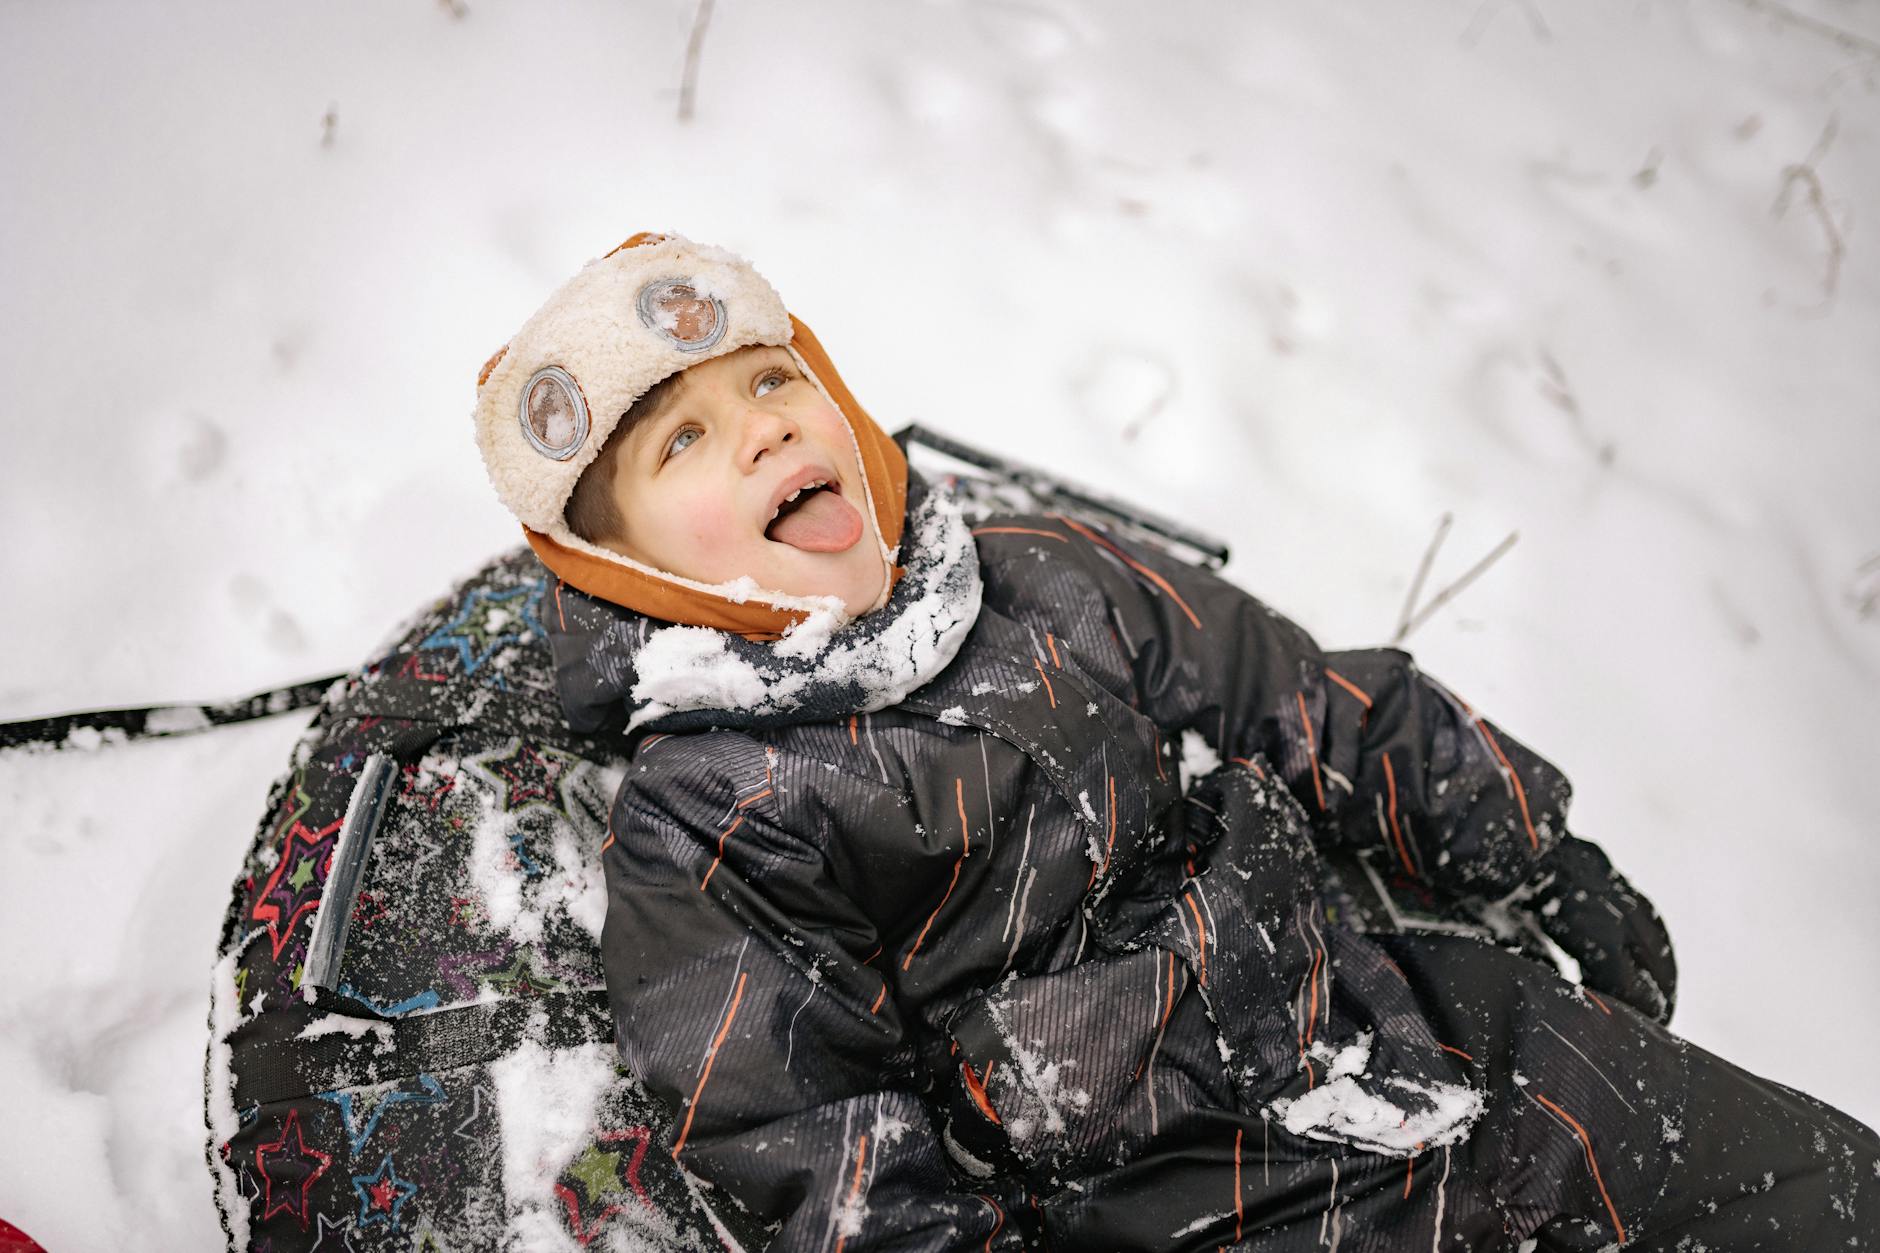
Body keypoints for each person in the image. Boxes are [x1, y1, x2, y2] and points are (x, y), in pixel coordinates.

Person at [471, 231, 1880, 1251]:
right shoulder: (709, 815)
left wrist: (1524, 839)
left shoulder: (1041, 574)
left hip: (1386, 1015)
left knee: (1800, 1191)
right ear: (628, 573)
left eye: (775, 384)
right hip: (1164, 1188)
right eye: (686, 445)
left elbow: (1294, 691)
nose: (764, 431)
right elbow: (800, 1129)